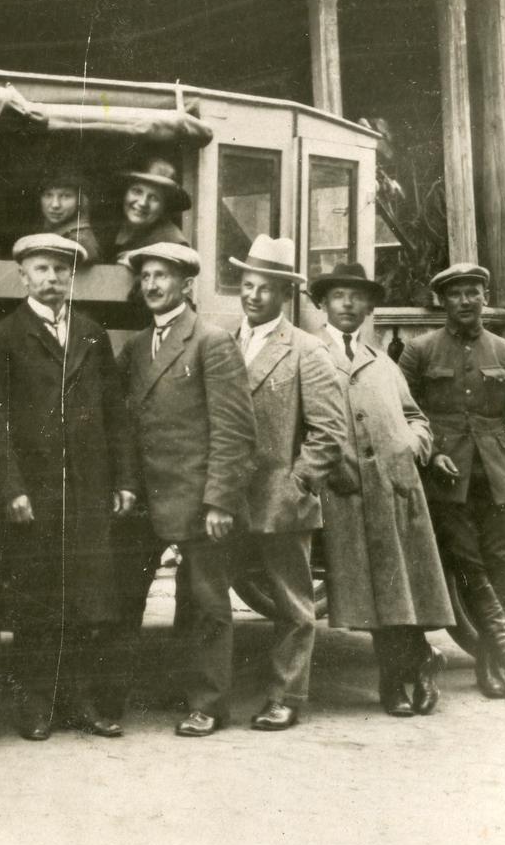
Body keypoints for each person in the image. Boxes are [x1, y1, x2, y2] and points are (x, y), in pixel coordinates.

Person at [0, 234, 138, 742]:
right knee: (37, 600)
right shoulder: (1, 337)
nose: (51, 278)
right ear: (22, 275)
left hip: (87, 490)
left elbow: (115, 412)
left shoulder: (91, 334)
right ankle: (35, 703)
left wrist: (125, 478)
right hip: (35, 494)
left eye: (60, 270)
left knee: (87, 599)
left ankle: (80, 701)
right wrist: (11, 488)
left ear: (71, 278)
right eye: (41, 269)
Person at [115, 242, 256, 737]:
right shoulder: (136, 347)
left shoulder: (211, 341)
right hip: (146, 498)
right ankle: (123, 693)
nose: (152, 285)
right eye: (146, 277)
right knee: (125, 596)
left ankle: (209, 703)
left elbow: (235, 430)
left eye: (163, 276)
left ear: (187, 284)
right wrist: (127, 485)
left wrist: (220, 500)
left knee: (205, 604)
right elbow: (126, 425)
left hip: (198, 498)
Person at [311, 262, 457, 716]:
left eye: (357, 296)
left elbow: (415, 416)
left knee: (396, 586)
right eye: (339, 295)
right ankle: (417, 663)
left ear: (370, 306)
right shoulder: (309, 354)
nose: (348, 303)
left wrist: (413, 443)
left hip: (393, 487)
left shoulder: (383, 362)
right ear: (323, 303)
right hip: (343, 489)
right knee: (371, 591)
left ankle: (395, 682)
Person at [227, 235, 348, 730]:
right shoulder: (223, 342)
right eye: (247, 285)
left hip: (280, 497)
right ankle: (205, 695)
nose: (253, 295)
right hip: (225, 497)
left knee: (293, 605)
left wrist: (296, 486)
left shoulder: (306, 349)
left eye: (266, 288)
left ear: (284, 294)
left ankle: (286, 696)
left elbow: (329, 433)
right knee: (206, 596)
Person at [397, 262, 505, 701]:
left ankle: (491, 660)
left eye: (472, 292)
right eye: (455, 294)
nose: (465, 301)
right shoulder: (420, 351)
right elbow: (405, 414)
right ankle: (500, 655)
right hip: (447, 478)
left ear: (485, 298)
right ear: (442, 301)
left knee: (501, 562)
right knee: (467, 564)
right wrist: (433, 454)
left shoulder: (504, 351)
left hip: (496, 476)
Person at [107, 157, 190, 260]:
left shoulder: (171, 243)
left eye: (154, 198)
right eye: (137, 191)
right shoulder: (111, 226)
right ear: (125, 191)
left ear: (164, 206)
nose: (143, 203)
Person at [33, 166, 102, 264]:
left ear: (81, 201)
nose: (55, 205)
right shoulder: (48, 231)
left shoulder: (81, 241)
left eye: (66, 196)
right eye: (48, 195)